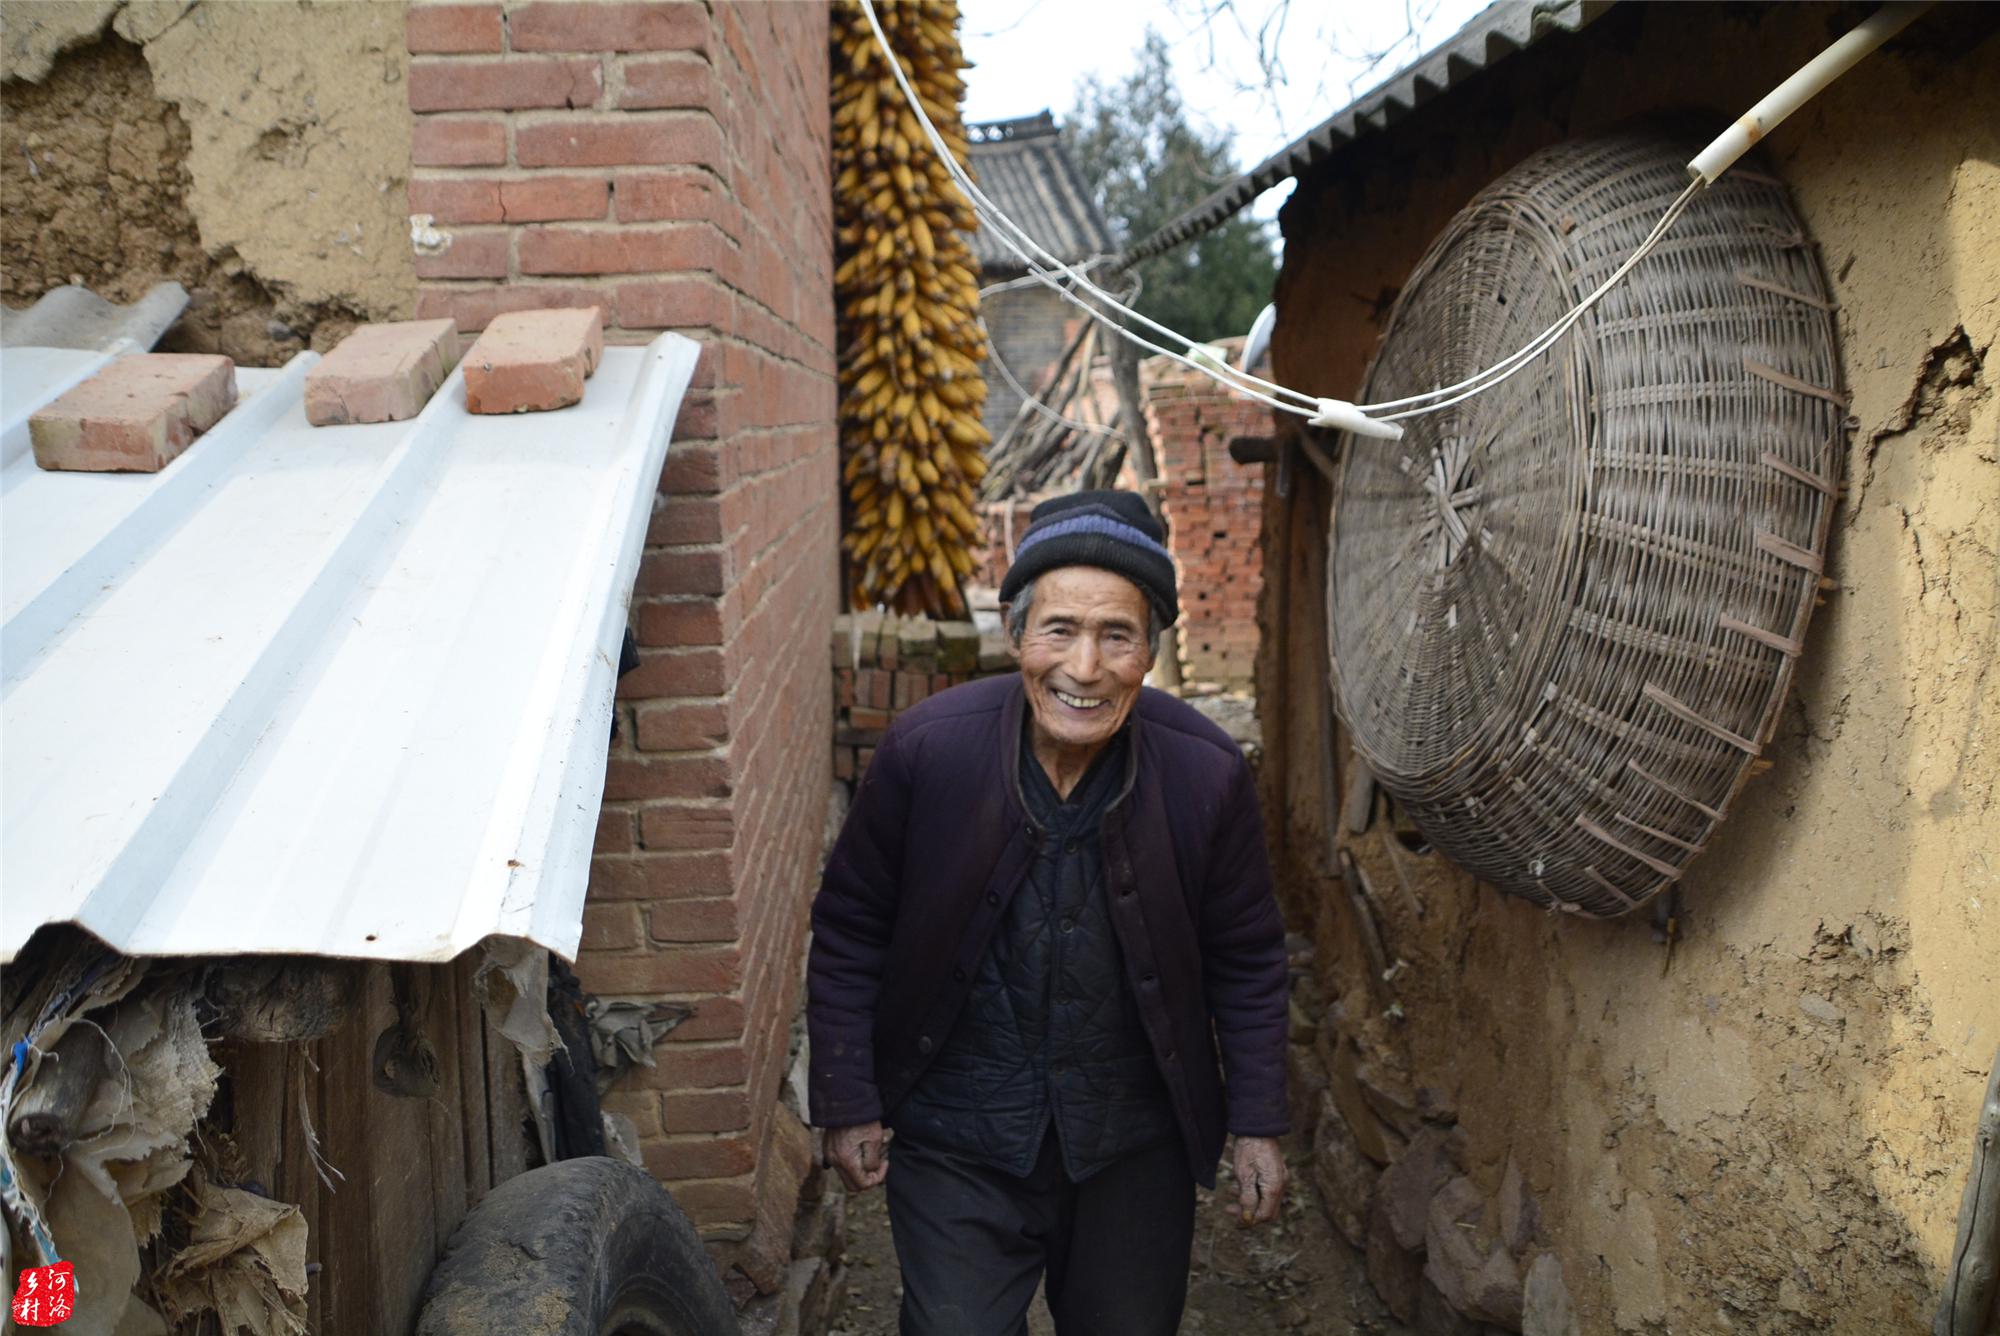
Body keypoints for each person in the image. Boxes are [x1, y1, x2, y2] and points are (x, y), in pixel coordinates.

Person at [807, 489, 1291, 1336]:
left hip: (1132, 1142)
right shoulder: (928, 752)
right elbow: (851, 927)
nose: (1085, 668)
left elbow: (1247, 957)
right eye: (1059, 630)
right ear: (1016, 634)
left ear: (1151, 650)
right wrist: (849, 1096)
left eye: (1117, 635)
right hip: (959, 1129)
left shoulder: (1205, 774)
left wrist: (1256, 1123)